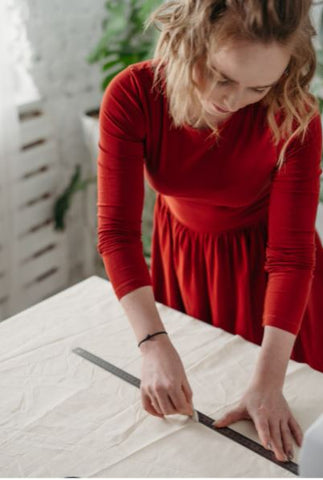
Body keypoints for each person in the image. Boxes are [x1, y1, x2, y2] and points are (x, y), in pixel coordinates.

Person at [96, 0, 323, 464]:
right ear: (190, 44)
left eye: (258, 87)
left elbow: (291, 254)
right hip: (184, 259)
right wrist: (153, 345)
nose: (232, 101)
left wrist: (268, 383)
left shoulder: (296, 115)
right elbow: (117, 232)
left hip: (271, 275)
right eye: (222, 77)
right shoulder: (135, 94)